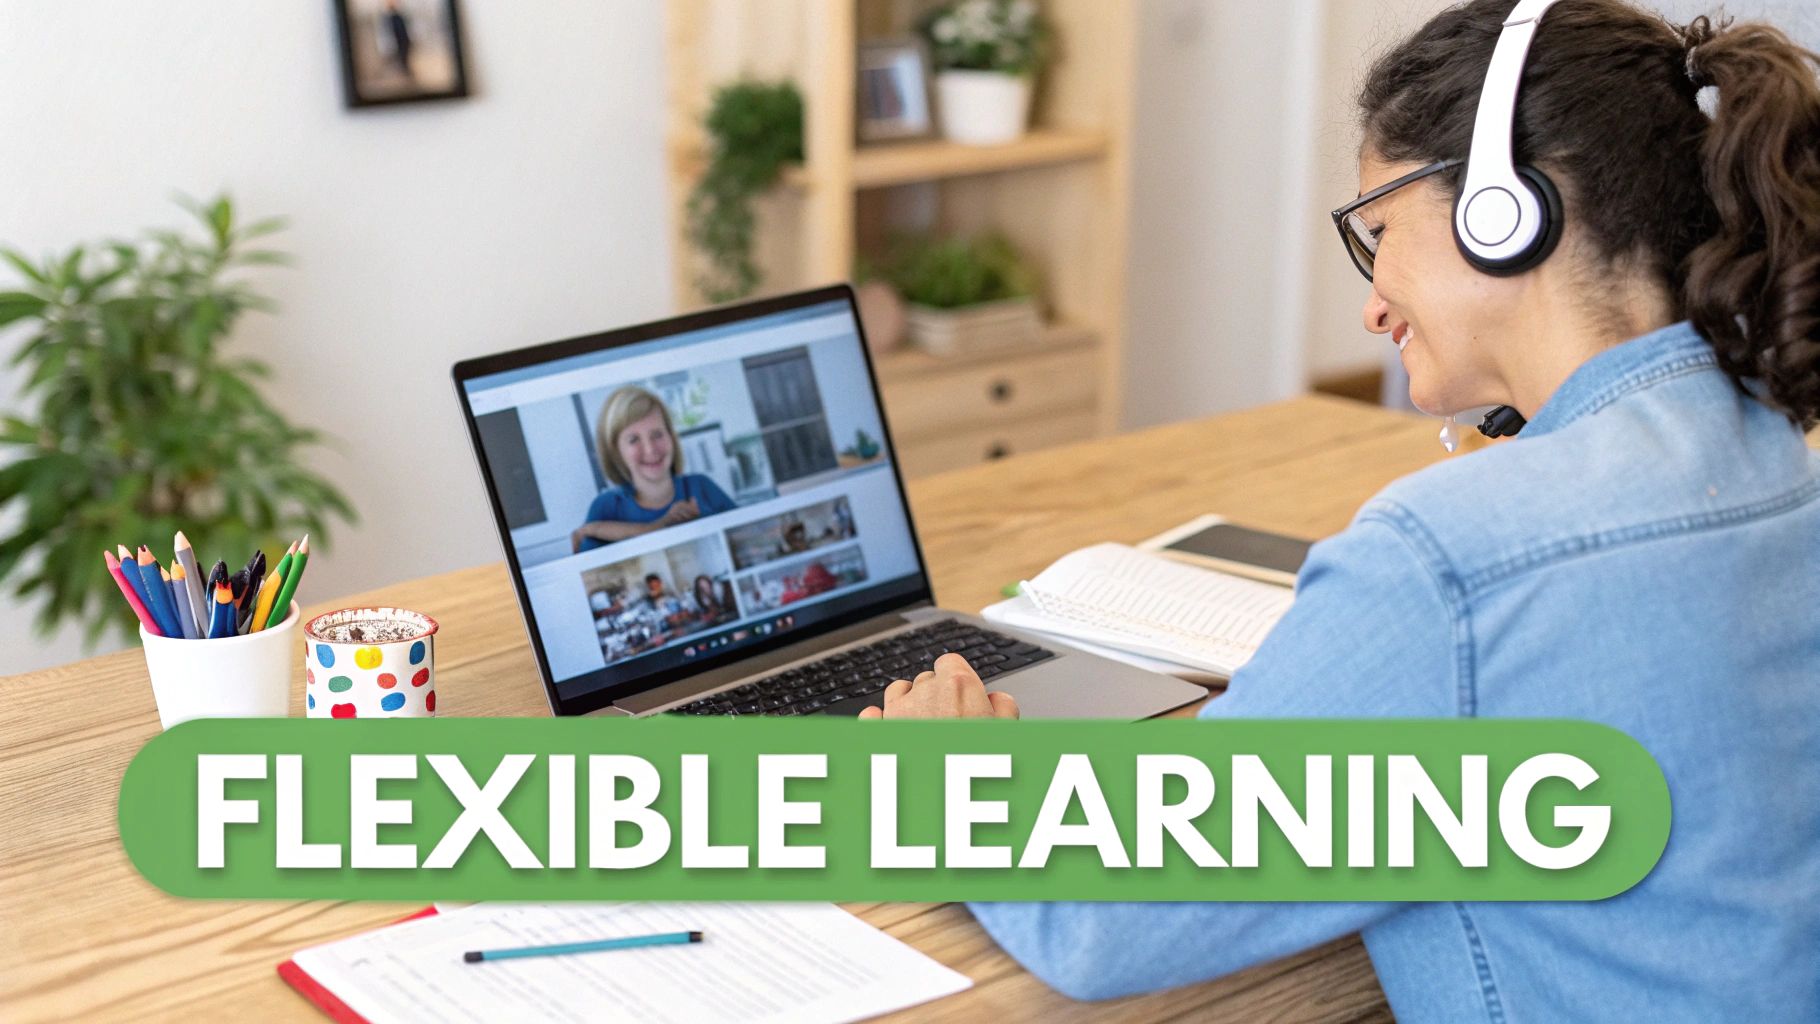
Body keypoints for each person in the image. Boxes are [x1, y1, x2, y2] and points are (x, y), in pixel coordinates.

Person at [862, 2, 1820, 1019]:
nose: (1369, 302)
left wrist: (944, 771)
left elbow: (1103, 915)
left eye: (1378, 233)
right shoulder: (1777, 455)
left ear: (1504, 211)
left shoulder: (1449, 558)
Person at [572, 386, 737, 552]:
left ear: (671, 437)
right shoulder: (606, 507)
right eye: (634, 439)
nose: (650, 450)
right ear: (616, 451)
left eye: (657, 434)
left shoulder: (702, 487)